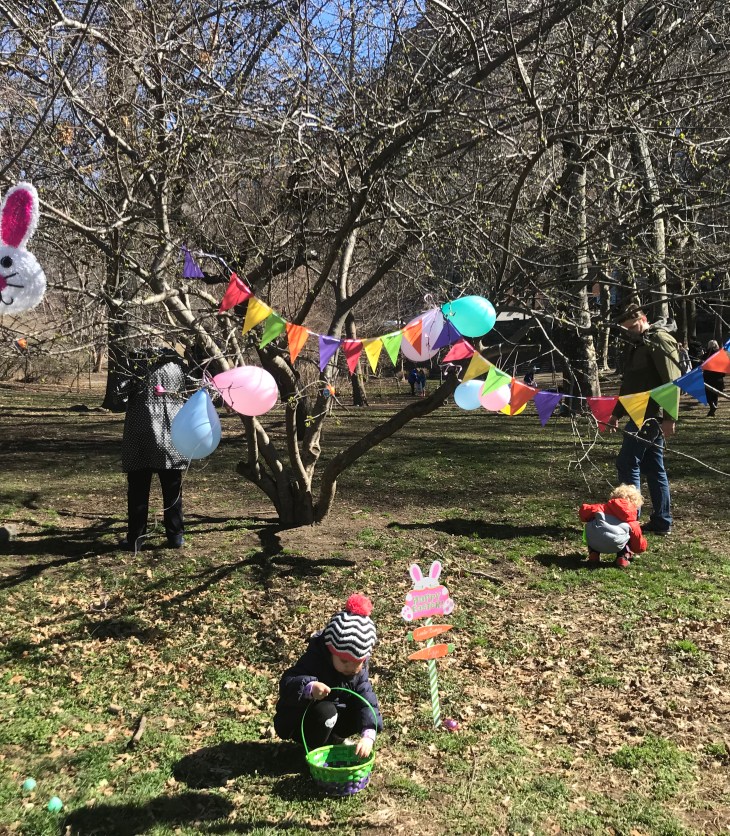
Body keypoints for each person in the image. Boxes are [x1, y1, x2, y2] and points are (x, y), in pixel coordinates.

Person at [273, 594, 383, 759]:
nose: (351, 667)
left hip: (335, 718)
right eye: (345, 661)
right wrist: (309, 688)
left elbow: (367, 703)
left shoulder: (358, 673)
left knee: (357, 707)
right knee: (327, 711)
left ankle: (335, 739)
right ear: (331, 651)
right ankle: (314, 748)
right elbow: (288, 683)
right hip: (305, 719)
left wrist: (368, 734)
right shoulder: (316, 660)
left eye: (357, 662)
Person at [608, 304, 681, 536]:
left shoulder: (658, 340)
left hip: (650, 417)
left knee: (627, 462)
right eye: (626, 328)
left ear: (644, 318)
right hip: (638, 412)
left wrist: (669, 417)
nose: (629, 331)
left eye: (633, 326)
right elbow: (630, 384)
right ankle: (662, 520)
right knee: (653, 467)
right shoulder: (637, 344)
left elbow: (672, 380)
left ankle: (630, 519)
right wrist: (616, 413)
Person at [120, 347, 191, 551]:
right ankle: (175, 535)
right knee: (172, 488)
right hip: (171, 434)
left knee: (138, 490)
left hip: (139, 434)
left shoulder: (135, 364)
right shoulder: (177, 364)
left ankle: (136, 538)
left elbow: (120, 395)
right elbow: (190, 389)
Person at [579, 484, 648, 569]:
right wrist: (643, 545)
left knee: (595, 525)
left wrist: (590, 517)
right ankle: (623, 557)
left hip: (594, 541)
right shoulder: (632, 521)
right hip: (616, 544)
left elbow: (583, 512)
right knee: (629, 535)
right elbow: (638, 546)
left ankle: (594, 554)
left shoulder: (601, 508)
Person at [702, 339, 725, 417]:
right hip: (718, 378)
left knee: (708, 394)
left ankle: (712, 406)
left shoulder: (706, 355)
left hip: (708, 378)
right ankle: (713, 409)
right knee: (715, 394)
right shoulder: (720, 355)